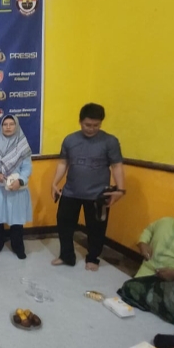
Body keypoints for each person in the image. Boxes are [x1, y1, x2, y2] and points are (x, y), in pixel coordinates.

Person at [50, 102, 126, 271]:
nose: (91, 129)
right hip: (70, 191)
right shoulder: (70, 140)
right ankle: (66, 256)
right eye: (87, 125)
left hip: (98, 194)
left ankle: (93, 258)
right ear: (80, 121)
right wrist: (54, 183)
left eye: (96, 125)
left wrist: (121, 189)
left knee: (96, 228)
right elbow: (63, 162)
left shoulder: (110, 141)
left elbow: (117, 166)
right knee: (64, 225)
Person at [0, 115, 33, 259]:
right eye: (5, 124)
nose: (8, 127)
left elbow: (27, 168)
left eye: (12, 124)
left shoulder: (23, 146)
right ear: (1, 127)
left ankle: (18, 247)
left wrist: (20, 181)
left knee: (16, 220)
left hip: (16, 189)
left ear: (16, 126)